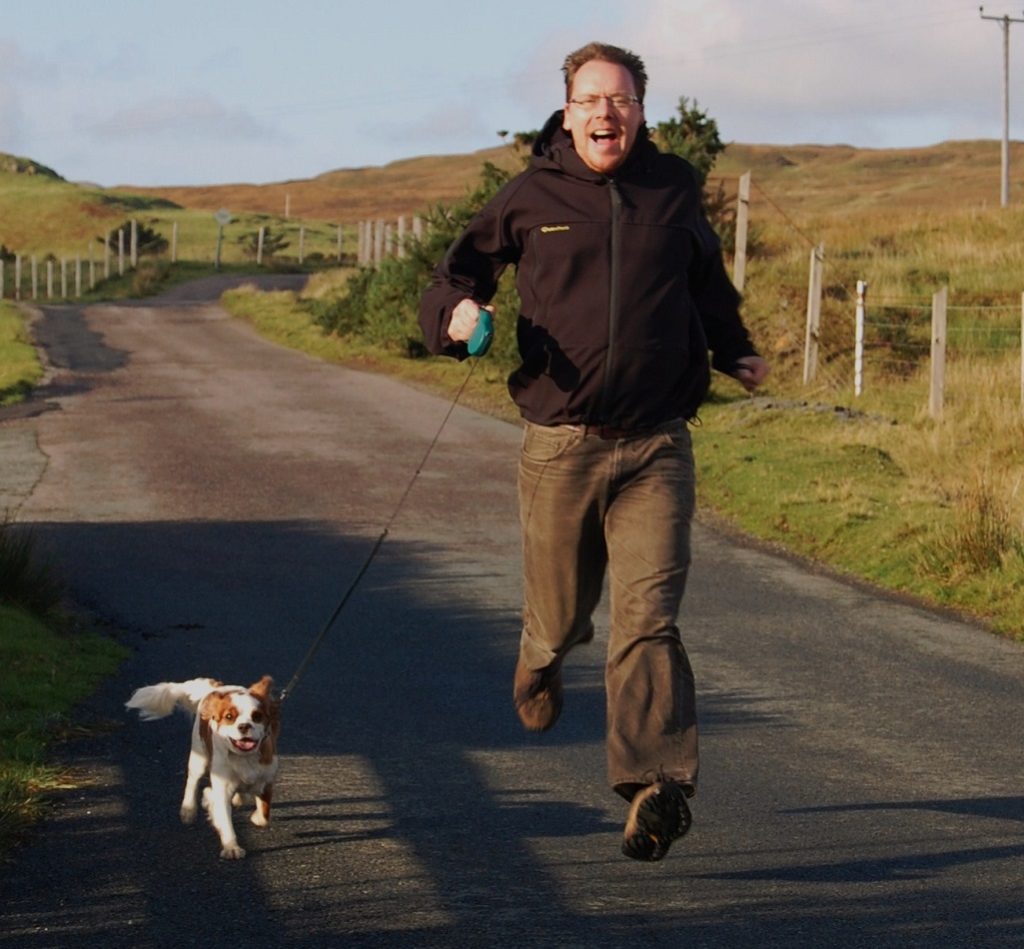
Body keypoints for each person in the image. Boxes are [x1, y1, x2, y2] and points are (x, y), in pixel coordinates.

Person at [418, 41, 768, 862]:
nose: (604, 112)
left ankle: (655, 786)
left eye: (620, 99)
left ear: (641, 110)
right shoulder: (529, 194)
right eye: (589, 99)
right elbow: (454, 275)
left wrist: (734, 348)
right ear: (566, 112)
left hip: (656, 446)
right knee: (565, 617)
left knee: (647, 620)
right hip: (560, 448)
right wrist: (457, 318)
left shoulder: (672, 187)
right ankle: (539, 657)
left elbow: (705, 283)